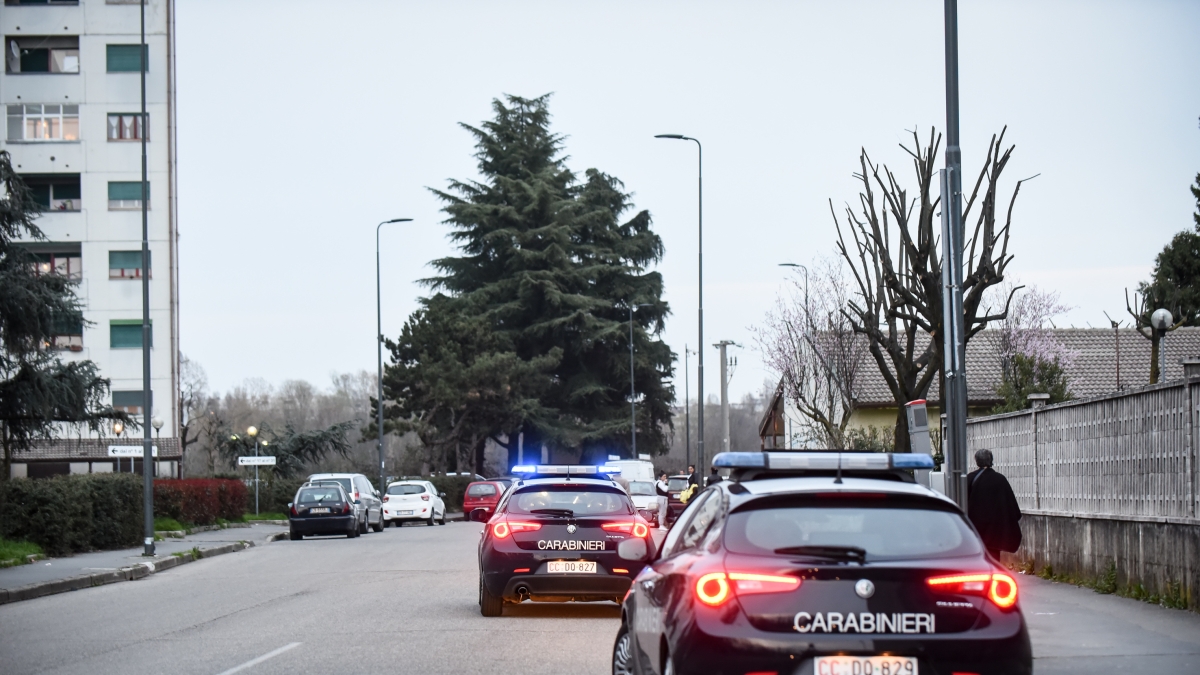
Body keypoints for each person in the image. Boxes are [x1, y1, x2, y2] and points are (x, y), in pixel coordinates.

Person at [966, 449, 1023, 560]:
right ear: (991, 460)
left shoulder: (969, 479)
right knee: (993, 560)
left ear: (976, 461)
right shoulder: (1000, 480)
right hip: (994, 533)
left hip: (975, 531)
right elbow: (1013, 509)